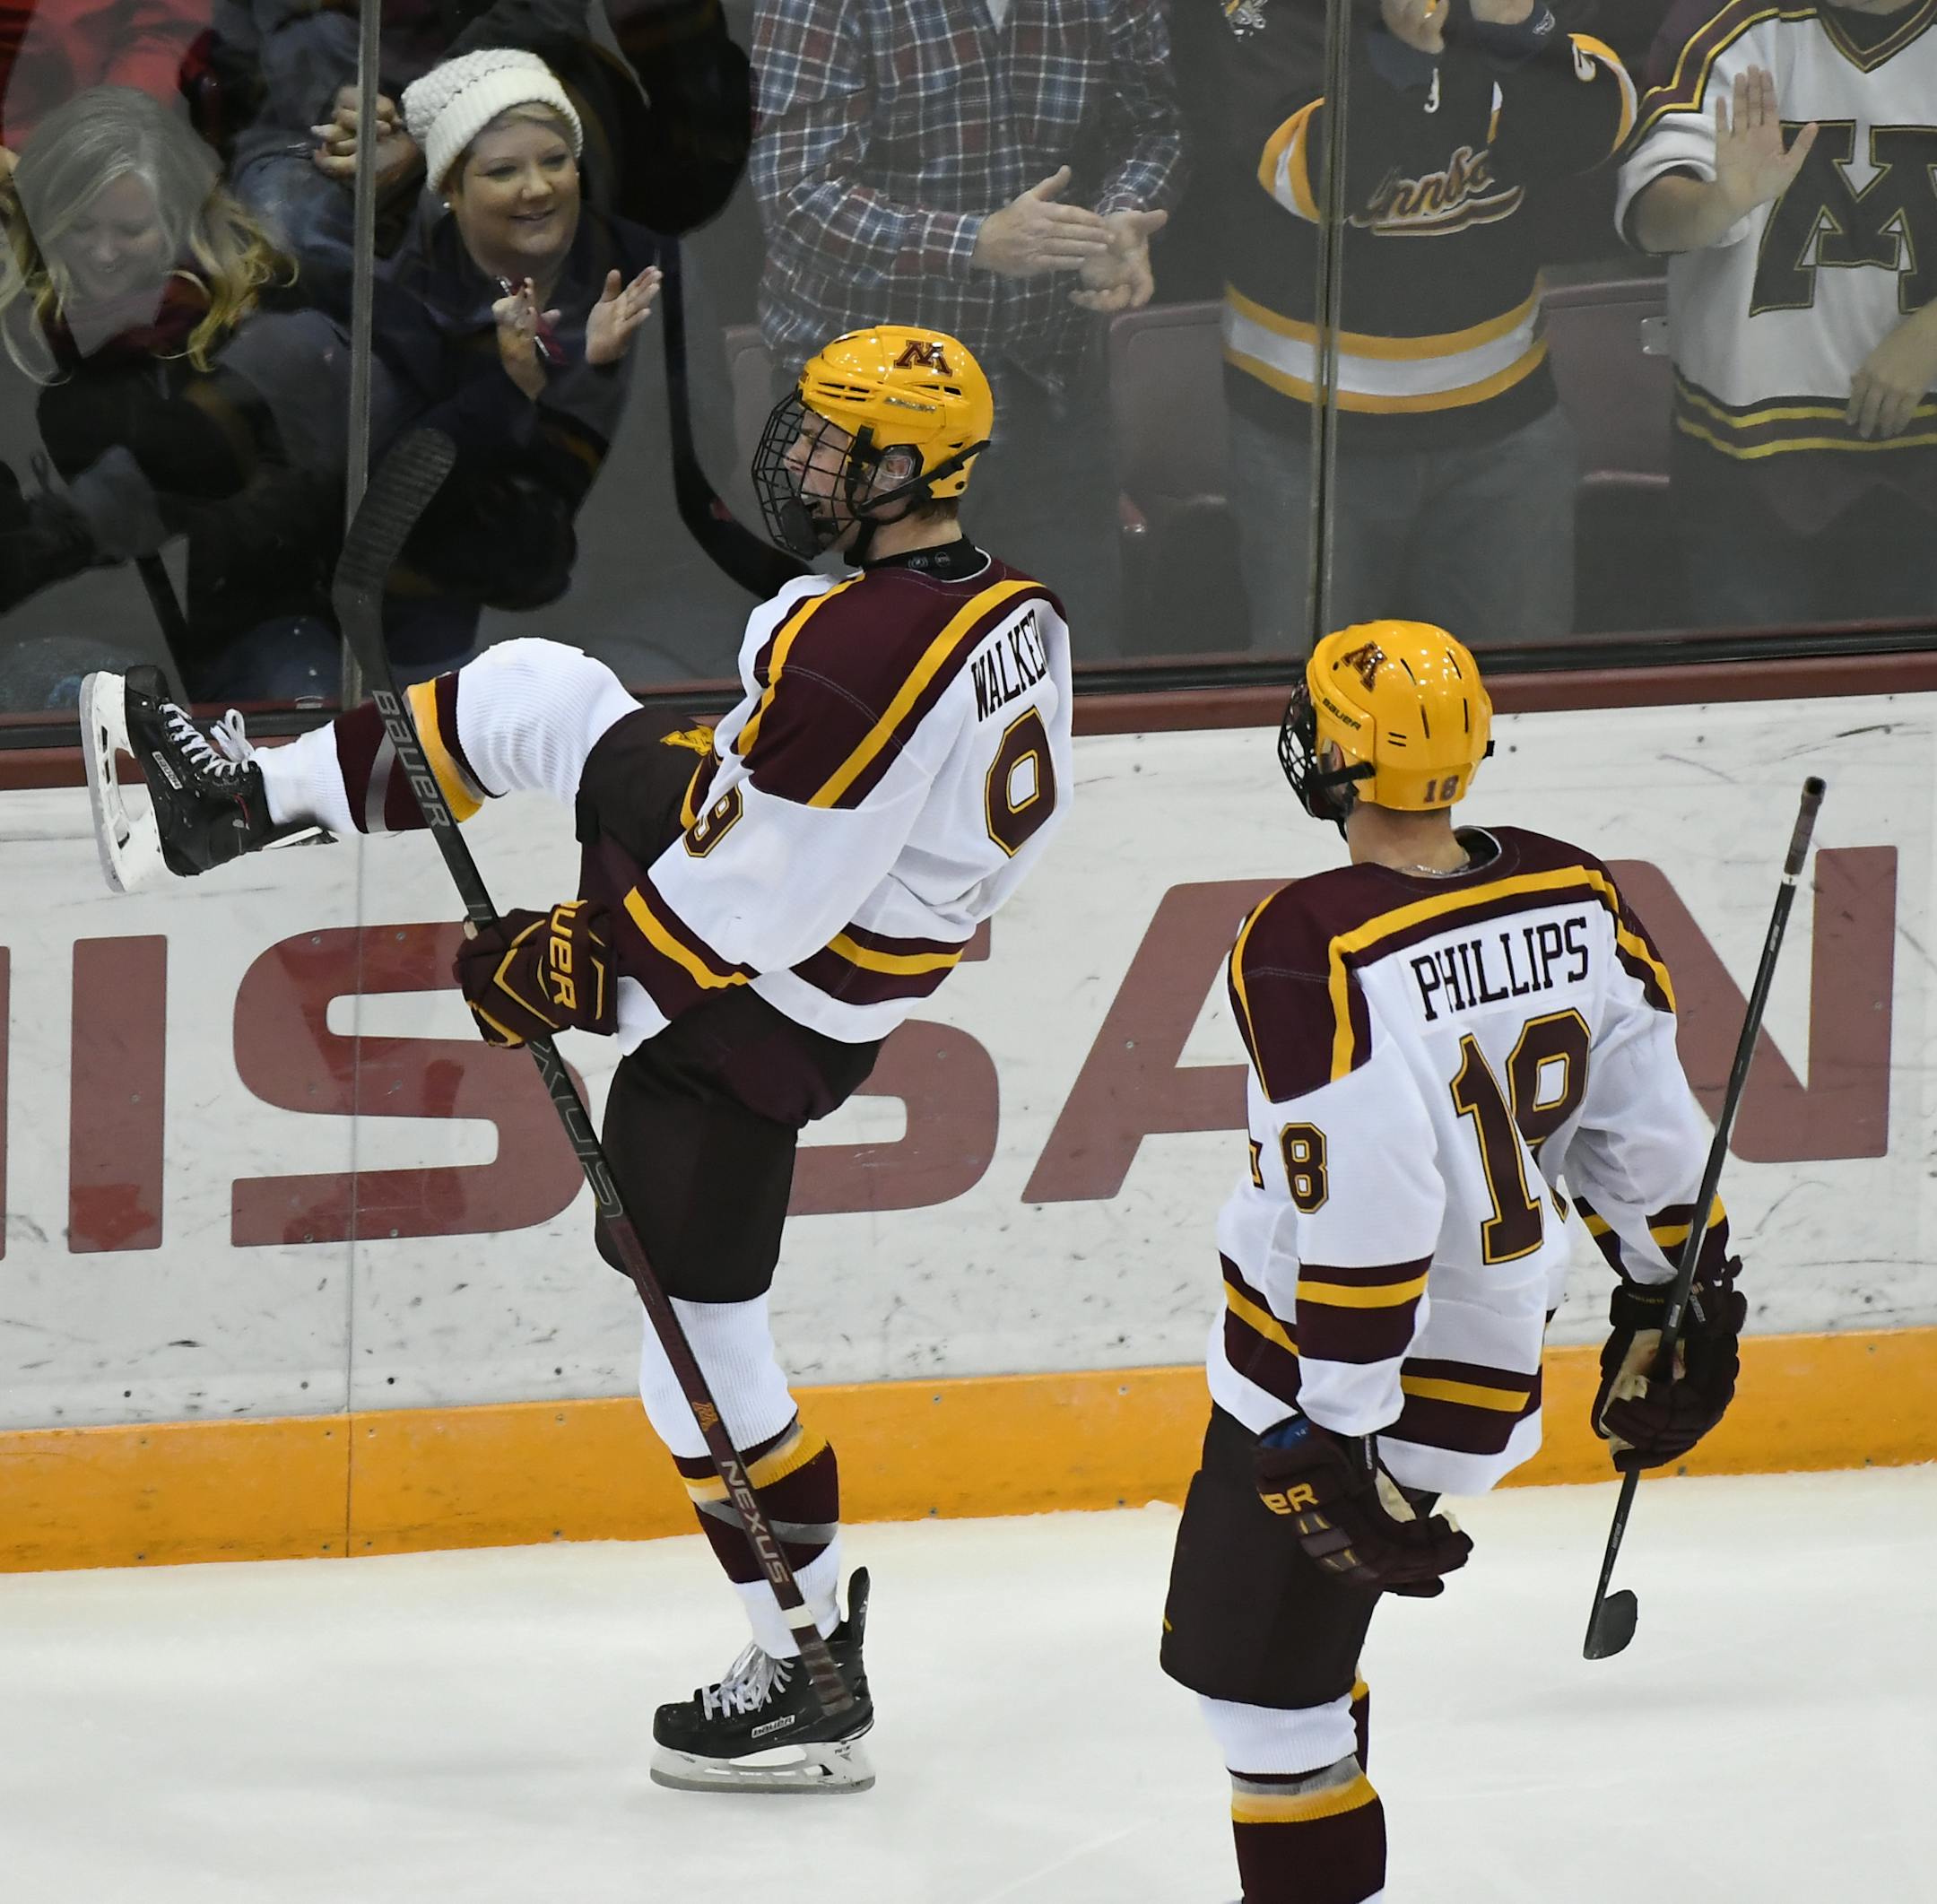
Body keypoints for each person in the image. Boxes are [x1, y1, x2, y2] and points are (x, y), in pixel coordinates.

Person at [77, 324, 1074, 1797]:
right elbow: (840, 812)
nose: (798, 456)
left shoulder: (854, 661)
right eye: (804, 428)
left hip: (763, 1004)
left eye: (834, 442)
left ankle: (804, 1664)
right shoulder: (1008, 606)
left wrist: (585, 972)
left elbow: (760, 899)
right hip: (826, 971)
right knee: (541, 700)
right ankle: (228, 803)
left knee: (705, 1352)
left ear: (913, 466)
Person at [1159, 622, 1746, 1903]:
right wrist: (1675, 1294)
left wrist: (1340, 1429)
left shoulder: (1304, 933)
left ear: (1339, 760)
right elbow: (1643, 1125)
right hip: (1486, 1353)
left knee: (1262, 1708)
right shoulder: (1573, 887)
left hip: (1338, 1377)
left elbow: (1366, 1200)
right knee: (1298, 1662)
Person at [749, 0, 1185, 657]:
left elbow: (1153, 128)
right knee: (877, 695)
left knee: (1068, 675)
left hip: (1050, 390)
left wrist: (1116, 218)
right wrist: (973, 241)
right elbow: (795, 191)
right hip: (874, 417)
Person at [1213, 0, 1636, 652]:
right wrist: (1401, 62)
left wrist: (1523, 31)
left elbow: (1594, 135)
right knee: (1315, 717)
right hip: (1307, 444)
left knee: (1523, 707)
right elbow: (1317, 180)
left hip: (1506, 427)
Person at [0, 84, 361, 700]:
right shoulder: (32, 341)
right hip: (94, 639)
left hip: (274, 640)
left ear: (180, 224)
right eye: (80, 227)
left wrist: (78, 520)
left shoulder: (274, 334)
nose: (102, 252)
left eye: (131, 230)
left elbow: (287, 513)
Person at [1616, 2, 1937, 630]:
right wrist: (1718, 204)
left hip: (1926, 464)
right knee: (1748, 704)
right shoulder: (1724, 23)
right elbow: (1652, 216)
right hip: (1748, 470)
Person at [368, 47, 666, 673]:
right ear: (451, 186)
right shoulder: (400, 299)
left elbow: (682, 462)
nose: (538, 188)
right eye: (503, 172)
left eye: (556, 161)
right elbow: (393, 498)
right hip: (446, 612)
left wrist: (594, 369)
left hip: (637, 592)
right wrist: (510, 389)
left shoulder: (647, 270)